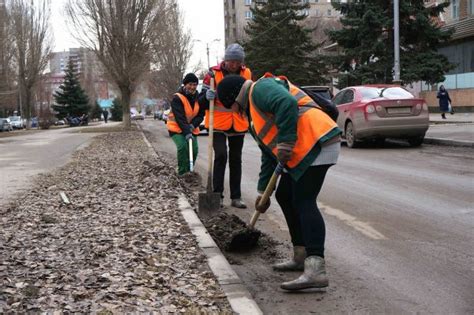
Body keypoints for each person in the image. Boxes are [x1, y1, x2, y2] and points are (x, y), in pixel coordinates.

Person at [216, 73, 342, 291]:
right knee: (284, 195)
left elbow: (287, 103)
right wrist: (263, 191)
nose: (234, 112)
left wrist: (285, 142)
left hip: (317, 140)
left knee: (304, 200)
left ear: (236, 97)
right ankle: (300, 255)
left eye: (233, 106)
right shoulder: (254, 116)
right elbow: (268, 153)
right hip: (304, 149)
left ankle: (316, 269)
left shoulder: (260, 88)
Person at [199, 43, 252, 208]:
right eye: (231, 61)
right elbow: (200, 102)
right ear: (225, 60)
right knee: (221, 156)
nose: (234, 65)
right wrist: (207, 97)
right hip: (218, 122)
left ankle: (236, 197)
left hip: (238, 122)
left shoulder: (247, 73)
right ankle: (217, 195)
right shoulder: (212, 74)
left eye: (237, 62)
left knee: (236, 159)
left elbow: (250, 97)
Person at [167, 73, 205, 175]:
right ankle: (182, 172)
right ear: (184, 84)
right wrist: (187, 131)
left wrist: (192, 125)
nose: (192, 87)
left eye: (194, 84)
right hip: (176, 128)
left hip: (191, 128)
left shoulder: (199, 98)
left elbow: (201, 115)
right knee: (183, 147)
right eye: (190, 84)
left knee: (194, 150)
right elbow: (180, 118)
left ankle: (189, 172)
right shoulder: (177, 98)